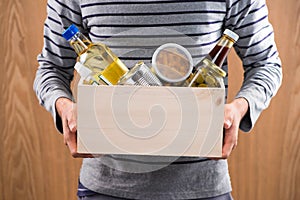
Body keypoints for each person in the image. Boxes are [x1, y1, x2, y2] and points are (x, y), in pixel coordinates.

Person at [34, 0, 282, 199]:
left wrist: (239, 109)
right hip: (106, 187)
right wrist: (64, 108)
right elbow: (51, 68)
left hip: (201, 187)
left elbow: (266, 64)